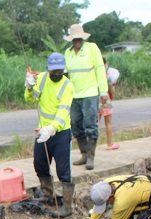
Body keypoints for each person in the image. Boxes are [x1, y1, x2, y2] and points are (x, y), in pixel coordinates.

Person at [24, 52, 75, 218]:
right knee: (40, 164)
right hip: (42, 131)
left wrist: (51, 129)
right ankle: (47, 195)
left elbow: (62, 112)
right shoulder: (42, 79)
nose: (56, 74)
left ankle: (67, 207)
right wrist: (29, 87)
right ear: (48, 69)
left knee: (63, 170)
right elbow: (30, 100)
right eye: (53, 71)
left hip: (60, 133)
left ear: (64, 69)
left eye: (59, 71)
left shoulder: (68, 86)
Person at [64, 24, 109, 171]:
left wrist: (103, 91)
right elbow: (65, 75)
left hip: (90, 94)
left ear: (83, 38)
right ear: (71, 39)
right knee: (76, 126)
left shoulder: (92, 48)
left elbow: (100, 70)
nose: (77, 41)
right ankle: (83, 154)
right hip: (74, 96)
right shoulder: (68, 53)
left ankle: (91, 156)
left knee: (90, 126)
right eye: (74, 38)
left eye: (79, 38)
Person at [100, 58, 120, 150]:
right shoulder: (106, 74)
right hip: (105, 98)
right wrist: (112, 95)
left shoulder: (92, 74)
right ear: (105, 64)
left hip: (93, 98)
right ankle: (110, 144)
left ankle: (89, 147)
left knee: (94, 124)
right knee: (108, 123)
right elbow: (111, 88)